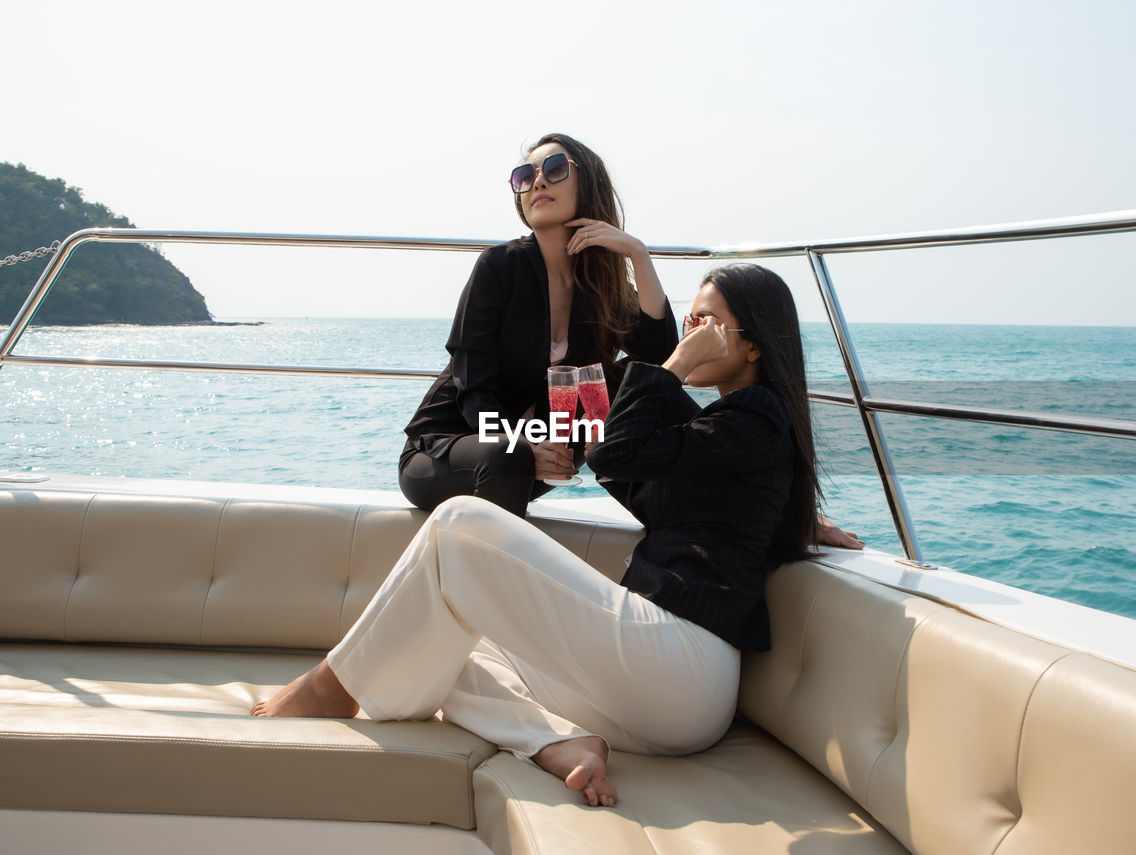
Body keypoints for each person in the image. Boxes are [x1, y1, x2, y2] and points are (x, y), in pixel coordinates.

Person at [253, 264, 864, 807]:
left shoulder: (758, 415)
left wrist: (673, 365)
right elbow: (638, 475)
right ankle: (556, 742)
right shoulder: (731, 431)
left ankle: (334, 686)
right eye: (689, 317)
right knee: (444, 649)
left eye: (707, 320)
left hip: (684, 664)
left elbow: (633, 452)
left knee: (462, 521)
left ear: (752, 343)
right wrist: (790, 514)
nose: (691, 328)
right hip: (650, 698)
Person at [399, 132, 678, 517]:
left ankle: (674, 542)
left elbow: (660, 361)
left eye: (555, 168)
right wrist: (524, 445)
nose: (538, 182)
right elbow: (473, 386)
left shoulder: (601, 288)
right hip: (449, 450)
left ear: (589, 183)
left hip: (540, 458)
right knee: (507, 455)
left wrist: (638, 254)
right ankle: (498, 577)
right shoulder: (499, 266)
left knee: (638, 383)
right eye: (524, 177)